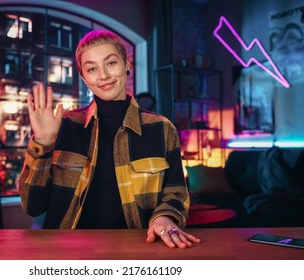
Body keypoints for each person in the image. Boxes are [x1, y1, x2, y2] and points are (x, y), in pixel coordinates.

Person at [19, 30, 200, 249]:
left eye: (111, 63)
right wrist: (44, 142)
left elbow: (176, 193)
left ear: (126, 64)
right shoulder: (64, 126)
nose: (103, 75)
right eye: (92, 69)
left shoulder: (162, 128)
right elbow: (33, 206)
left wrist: (164, 217)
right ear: (84, 78)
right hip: (67, 252)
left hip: (138, 249)